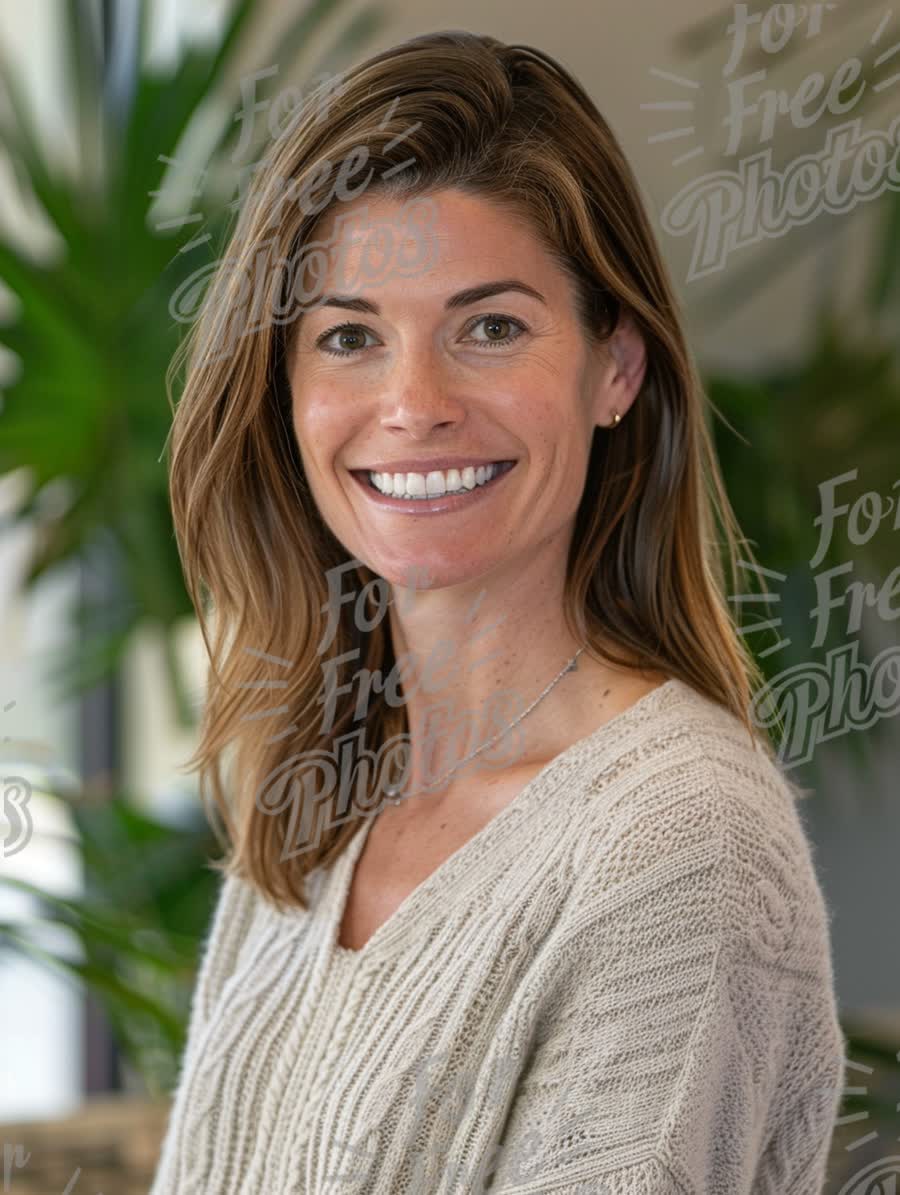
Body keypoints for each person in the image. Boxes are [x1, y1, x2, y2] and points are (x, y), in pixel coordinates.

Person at [152, 28, 846, 1195]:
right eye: (350, 336)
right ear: (286, 388)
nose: (413, 405)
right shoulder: (323, 793)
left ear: (616, 365)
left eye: (491, 327)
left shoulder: (674, 846)